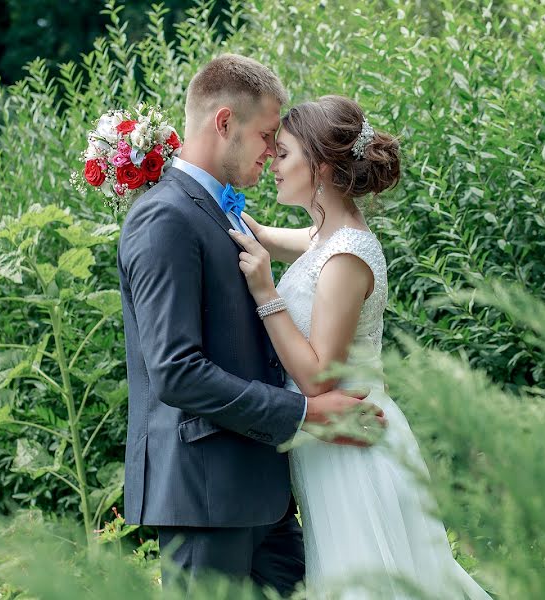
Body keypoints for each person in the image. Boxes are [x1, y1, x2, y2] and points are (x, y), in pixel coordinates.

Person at [117, 56, 385, 597]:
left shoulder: (226, 212)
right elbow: (175, 372)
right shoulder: (164, 217)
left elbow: (331, 245)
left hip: (263, 493)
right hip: (205, 497)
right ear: (223, 124)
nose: (271, 150)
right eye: (266, 135)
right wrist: (306, 412)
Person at [231, 95, 491, 598]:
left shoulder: (348, 254)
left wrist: (265, 290)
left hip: (355, 448)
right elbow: (268, 236)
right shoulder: (326, 240)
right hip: (331, 447)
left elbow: (318, 377)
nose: (273, 166)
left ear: (322, 165)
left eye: (282, 154)